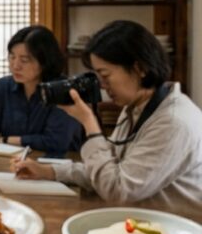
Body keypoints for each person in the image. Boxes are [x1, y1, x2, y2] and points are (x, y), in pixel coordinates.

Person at [15, 20, 202, 207]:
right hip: (142, 221)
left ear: (140, 68)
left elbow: (117, 189)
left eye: (105, 75)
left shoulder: (173, 122)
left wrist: (90, 124)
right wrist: (49, 171)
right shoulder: (137, 106)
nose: (102, 85)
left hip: (176, 227)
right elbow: (109, 169)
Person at [0, 26, 82, 158]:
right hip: (13, 164)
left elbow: (56, 141)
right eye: (12, 57)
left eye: (24, 60)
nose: (15, 65)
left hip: (60, 167)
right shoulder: (2, 87)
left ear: (45, 62)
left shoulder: (63, 91)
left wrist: (10, 140)